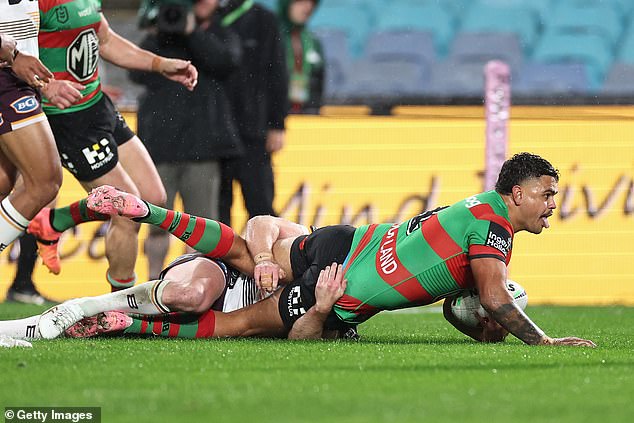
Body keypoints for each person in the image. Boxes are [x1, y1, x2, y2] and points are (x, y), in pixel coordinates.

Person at [34, 153, 597, 347]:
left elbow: (467, 303)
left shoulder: (476, 208)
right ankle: (124, 324)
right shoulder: (493, 231)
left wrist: (477, 314)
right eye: (547, 195)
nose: (552, 203)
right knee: (234, 328)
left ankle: (151, 213)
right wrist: (546, 340)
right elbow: (495, 302)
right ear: (517, 194)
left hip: (345, 241)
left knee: (243, 251)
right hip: (337, 289)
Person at [25, 0, 198, 292]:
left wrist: (160, 64)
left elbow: (104, 39)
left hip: (98, 106)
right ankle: (120, 306)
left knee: (153, 199)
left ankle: (56, 221)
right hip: (67, 121)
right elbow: (13, 55)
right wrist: (45, 87)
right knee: (126, 210)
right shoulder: (34, 4)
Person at [130, 0, 245, 279]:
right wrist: (160, 32)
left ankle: (188, 283)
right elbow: (135, 71)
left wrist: (193, 33)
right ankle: (152, 283)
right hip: (159, 151)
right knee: (156, 224)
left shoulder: (220, 34)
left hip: (202, 152)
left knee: (201, 229)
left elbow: (226, 62)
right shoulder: (157, 39)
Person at [217, 0, 289, 226]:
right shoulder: (205, 16)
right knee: (218, 212)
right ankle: (220, 262)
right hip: (215, 133)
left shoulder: (263, 19)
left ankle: (267, 259)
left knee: (262, 210)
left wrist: (277, 124)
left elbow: (277, 72)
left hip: (253, 132)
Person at [278, 0, 324, 114]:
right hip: (276, 121)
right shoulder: (271, 37)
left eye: (312, 2)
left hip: (306, 119)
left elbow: (319, 88)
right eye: (300, 1)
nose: (307, 7)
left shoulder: (313, 42)